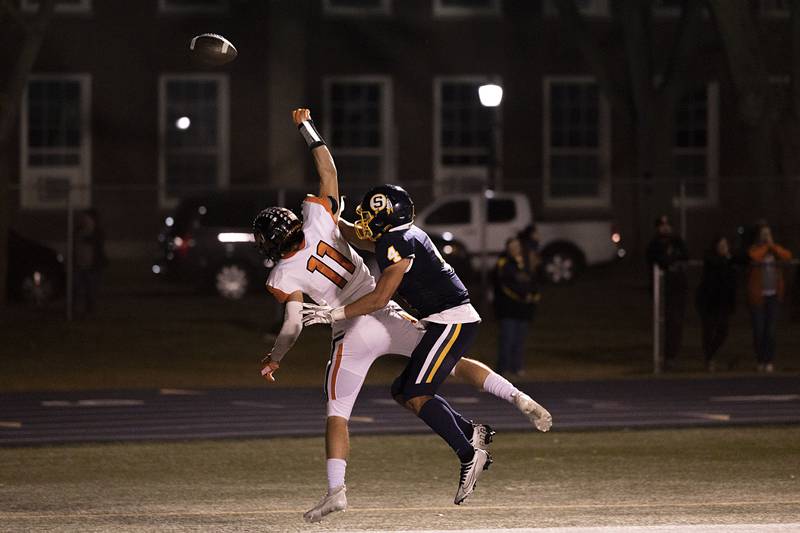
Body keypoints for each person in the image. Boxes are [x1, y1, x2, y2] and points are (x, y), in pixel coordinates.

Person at [257, 109, 551, 523]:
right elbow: (327, 166)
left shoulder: (282, 272)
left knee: (339, 413)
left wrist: (276, 357)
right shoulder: (320, 216)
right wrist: (306, 127)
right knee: (445, 365)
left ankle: (336, 490)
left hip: (355, 324)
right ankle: (499, 411)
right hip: (389, 316)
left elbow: (290, 325)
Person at [302, 184, 553, 507]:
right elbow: (359, 236)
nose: (364, 219)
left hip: (451, 320)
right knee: (401, 389)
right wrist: (332, 219)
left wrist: (333, 313)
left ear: (386, 217)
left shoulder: (395, 242)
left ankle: (468, 454)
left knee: (418, 393)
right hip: (445, 318)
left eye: (369, 214)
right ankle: (481, 423)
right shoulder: (399, 235)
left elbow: (379, 299)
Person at [746, 223, 793, 372]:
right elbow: (754, 257)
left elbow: (788, 256)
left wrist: (773, 246)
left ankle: (769, 360)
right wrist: (766, 246)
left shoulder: (775, 251)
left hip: (773, 295)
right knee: (759, 330)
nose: (766, 237)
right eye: (764, 234)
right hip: (758, 297)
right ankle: (760, 359)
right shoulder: (755, 249)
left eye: (768, 234)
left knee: (770, 330)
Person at [646, 215, 689, 370]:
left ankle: (672, 356)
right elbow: (660, 261)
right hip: (664, 290)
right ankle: (666, 357)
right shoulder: (654, 245)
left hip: (679, 288)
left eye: (667, 225)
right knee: (667, 323)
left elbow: (685, 255)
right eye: (661, 225)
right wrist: (671, 257)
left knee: (677, 324)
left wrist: (673, 256)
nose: (665, 228)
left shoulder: (677, 241)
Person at [494, 237, 539, 376]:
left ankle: (517, 367)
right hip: (509, 308)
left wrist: (533, 296)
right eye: (512, 246)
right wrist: (521, 295)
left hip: (523, 309)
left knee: (520, 340)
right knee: (507, 339)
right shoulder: (504, 263)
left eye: (517, 246)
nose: (515, 249)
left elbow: (534, 282)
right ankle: (503, 368)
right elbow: (505, 285)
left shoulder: (525, 263)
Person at [695, 235, 738, 372]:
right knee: (708, 331)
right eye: (721, 245)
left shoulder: (730, 261)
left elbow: (732, 281)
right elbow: (715, 268)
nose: (724, 247)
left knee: (723, 331)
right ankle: (709, 360)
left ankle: (710, 356)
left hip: (723, 303)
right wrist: (726, 259)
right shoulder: (711, 259)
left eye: (725, 245)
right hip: (709, 302)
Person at [73, 208, 107, 316]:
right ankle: (77, 310)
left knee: (91, 290)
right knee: (77, 288)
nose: (85, 220)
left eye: (87, 218)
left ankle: (90, 311)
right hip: (79, 265)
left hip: (92, 266)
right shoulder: (78, 231)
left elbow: (97, 244)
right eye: (84, 218)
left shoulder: (97, 233)